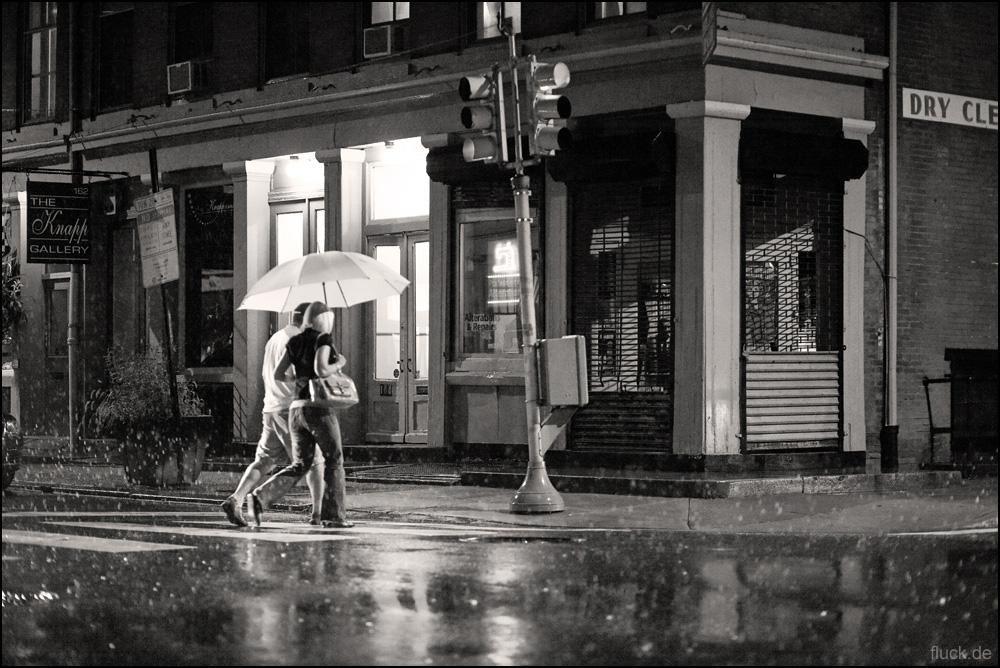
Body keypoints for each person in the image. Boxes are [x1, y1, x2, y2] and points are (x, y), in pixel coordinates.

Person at [247, 301, 354, 529]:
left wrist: (299, 381)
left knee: (300, 464)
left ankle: (260, 497)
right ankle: (334, 516)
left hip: (296, 409)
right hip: (318, 409)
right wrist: (339, 363)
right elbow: (322, 369)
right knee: (334, 460)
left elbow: (278, 374)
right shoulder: (323, 339)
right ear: (324, 319)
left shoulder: (295, 341)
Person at [220, 302, 326, 527]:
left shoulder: (275, 338)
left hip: (270, 407)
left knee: (264, 461)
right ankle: (317, 513)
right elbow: (299, 373)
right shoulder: (299, 340)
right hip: (291, 408)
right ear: (307, 318)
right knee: (312, 461)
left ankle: (236, 498)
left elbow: (267, 372)